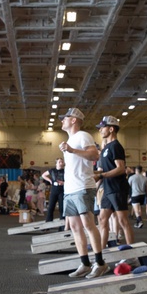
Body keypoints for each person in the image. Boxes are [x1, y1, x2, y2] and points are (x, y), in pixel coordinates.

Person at [58, 107, 107, 279]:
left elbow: (94, 155)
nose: (62, 120)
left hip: (83, 187)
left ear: (73, 120)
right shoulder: (70, 139)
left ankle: (100, 263)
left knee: (88, 224)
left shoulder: (83, 136)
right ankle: (85, 264)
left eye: (65, 118)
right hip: (70, 189)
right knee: (75, 227)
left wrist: (72, 150)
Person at [94, 115, 137, 250]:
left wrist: (101, 175)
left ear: (111, 129)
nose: (100, 130)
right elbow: (103, 169)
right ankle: (100, 253)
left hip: (117, 188)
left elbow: (120, 168)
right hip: (107, 188)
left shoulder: (115, 146)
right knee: (102, 219)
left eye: (103, 127)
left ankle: (132, 254)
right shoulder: (106, 148)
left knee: (123, 221)